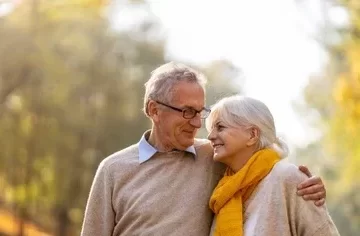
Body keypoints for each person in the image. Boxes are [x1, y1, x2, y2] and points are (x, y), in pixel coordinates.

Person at [81, 62, 327, 236]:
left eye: (200, 112)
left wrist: (305, 184)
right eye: (187, 111)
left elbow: (261, 158)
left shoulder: (215, 156)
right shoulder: (113, 170)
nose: (198, 123)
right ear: (154, 110)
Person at [206, 95, 339, 236]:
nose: (210, 136)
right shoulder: (223, 192)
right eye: (211, 129)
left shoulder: (288, 177)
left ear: (252, 135)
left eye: (220, 127)